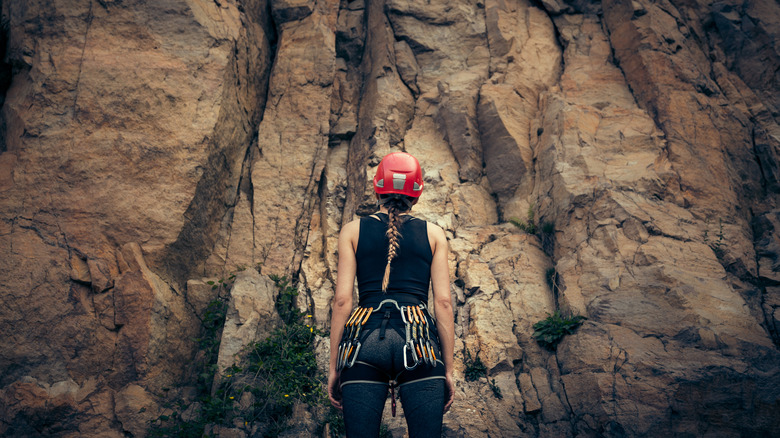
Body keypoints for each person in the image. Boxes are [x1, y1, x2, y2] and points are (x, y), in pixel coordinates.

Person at [328, 151, 455, 437]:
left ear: (378, 188)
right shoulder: (434, 234)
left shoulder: (352, 230)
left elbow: (342, 301)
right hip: (418, 341)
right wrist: (448, 369)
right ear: (417, 193)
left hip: (363, 340)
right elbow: (444, 303)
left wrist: (334, 367)